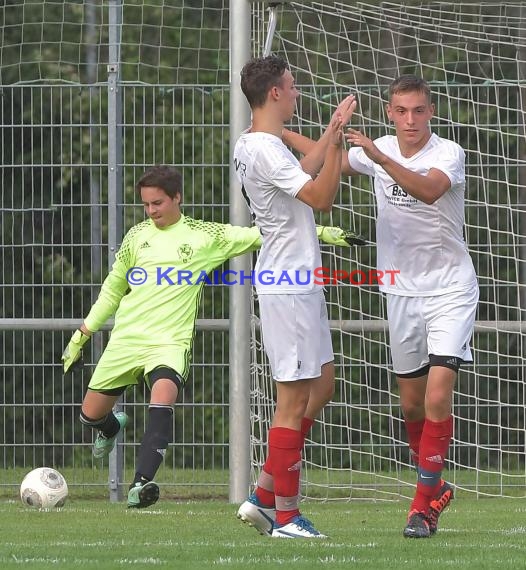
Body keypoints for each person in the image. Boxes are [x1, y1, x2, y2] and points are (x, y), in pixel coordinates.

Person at [61, 164, 363, 509]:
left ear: (177, 198)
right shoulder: (136, 237)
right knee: (90, 415)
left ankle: (141, 484)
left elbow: (261, 233)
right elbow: (113, 289)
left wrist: (324, 233)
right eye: (146, 205)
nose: (151, 211)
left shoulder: (203, 236)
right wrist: (83, 333)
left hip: (168, 342)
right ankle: (110, 427)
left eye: (157, 203)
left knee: (162, 400)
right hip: (127, 339)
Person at [283, 75, 479, 538]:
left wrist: (379, 157)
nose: (410, 120)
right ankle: (436, 487)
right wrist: (278, 133)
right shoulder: (380, 149)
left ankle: (420, 508)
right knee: (412, 407)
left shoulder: (446, 153)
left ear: (430, 112)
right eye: (401, 111)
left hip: (450, 290)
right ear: (390, 113)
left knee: (436, 395)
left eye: (418, 111)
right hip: (400, 292)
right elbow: (325, 155)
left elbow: (428, 190)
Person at [233, 55, 357, 539]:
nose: (298, 91)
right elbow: (320, 197)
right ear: (275, 94)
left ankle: (265, 493)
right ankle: (285, 515)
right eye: (292, 85)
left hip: (299, 279)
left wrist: (328, 134)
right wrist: (340, 142)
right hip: (288, 282)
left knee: (321, 385)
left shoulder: (258, 143)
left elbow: (300, 172)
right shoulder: (262, 148)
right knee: (293, 399)